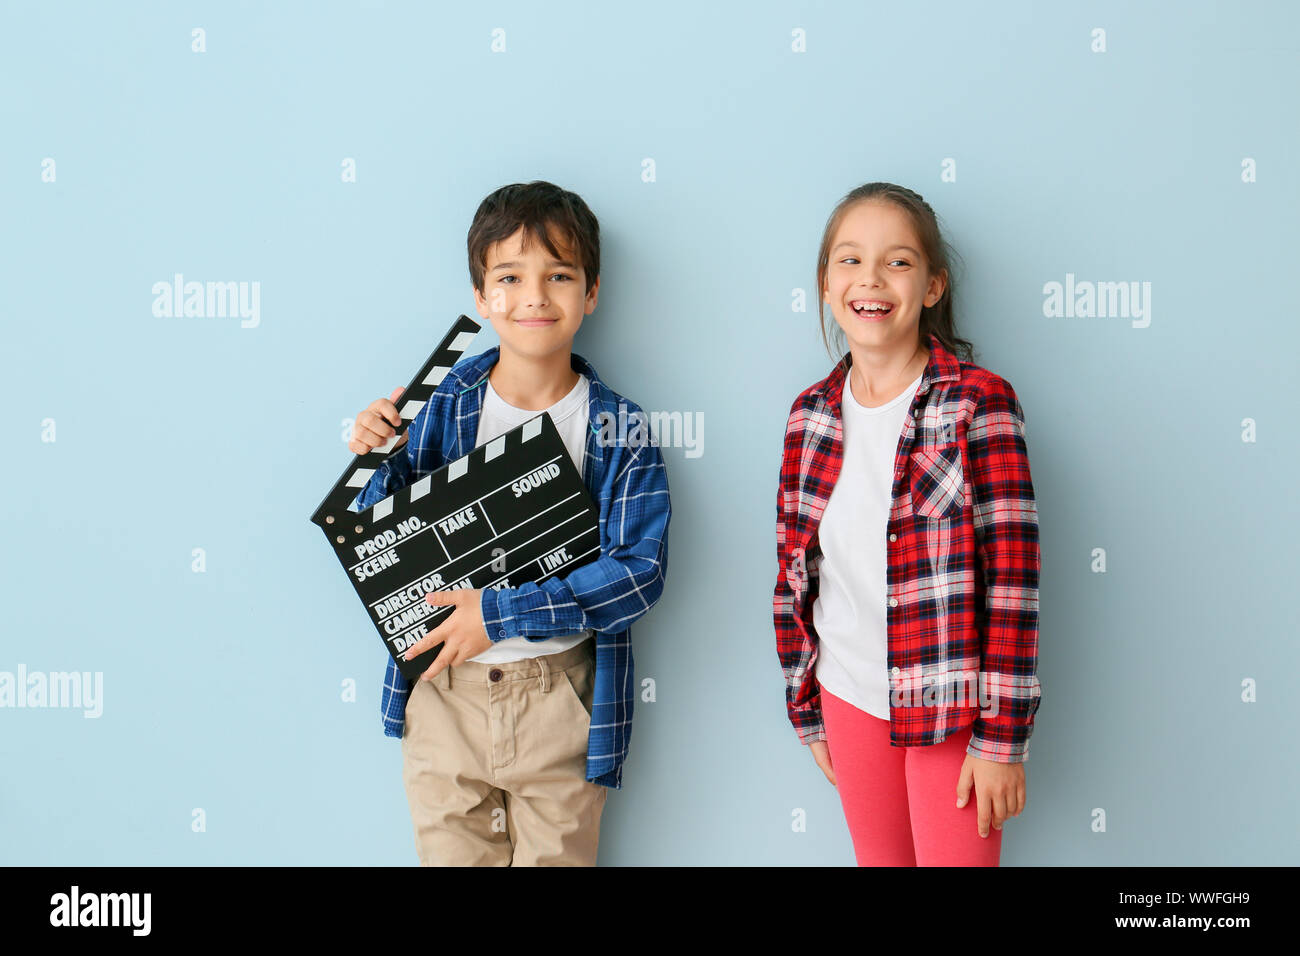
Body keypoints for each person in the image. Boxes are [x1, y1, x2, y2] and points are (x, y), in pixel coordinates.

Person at [348, 181, 671, 866]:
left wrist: (502, 612)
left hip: (561, 696)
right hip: (443, 696)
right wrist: (378, 456)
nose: (534, 296)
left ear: (591, 293)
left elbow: (639, 574)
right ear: (480, 296)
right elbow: (378, 538)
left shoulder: (617, 425)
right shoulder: (442, 402)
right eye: (510, 277)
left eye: (559, 275)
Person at [773, 182, 1042, 866]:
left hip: (949, 705)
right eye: (849, 260)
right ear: (828, 286)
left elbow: (1013, 579)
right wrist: (806, 707)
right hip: (847, 697)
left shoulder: (979, 402)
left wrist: (1002, 738)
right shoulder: (809, 417)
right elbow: (795, 575)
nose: (871, 278)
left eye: (896, 261)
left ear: (931, 286)